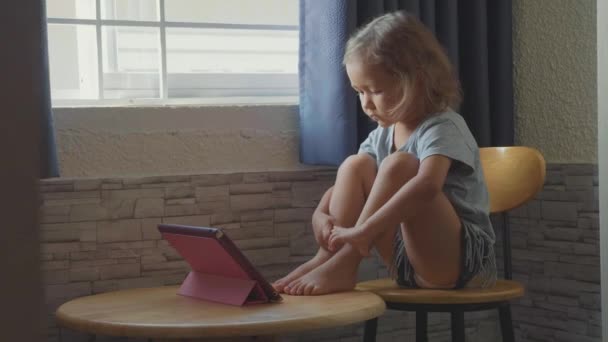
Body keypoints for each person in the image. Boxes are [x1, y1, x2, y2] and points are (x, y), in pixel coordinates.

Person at [273, 11, 496, 296]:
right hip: (407, 262)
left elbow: (428, 185)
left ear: (416, 80)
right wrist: (320, 214)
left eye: (375, 90)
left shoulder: (444, 125)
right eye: (359, 92)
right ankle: (328, 258)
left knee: (399, 165)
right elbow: (344, 187)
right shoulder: (382, 135)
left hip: (463, 265)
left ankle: (346, 260)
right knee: (354, 166)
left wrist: (363, 233)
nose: (366, 104)